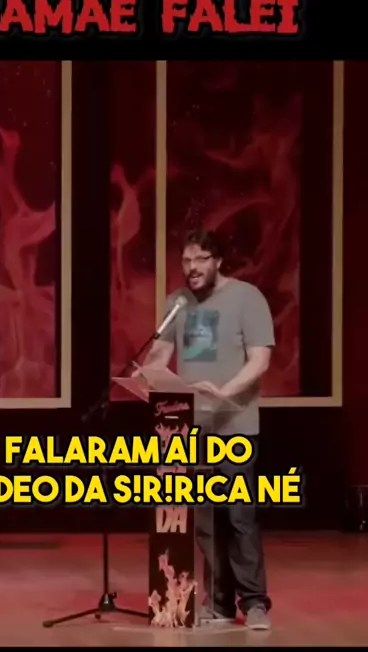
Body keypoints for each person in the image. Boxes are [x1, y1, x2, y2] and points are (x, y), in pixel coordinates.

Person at [141, 227, 274, 630]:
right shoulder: (177, 303)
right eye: (186, 260)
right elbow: (159, 355)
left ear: (218, 261)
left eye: (200, 259)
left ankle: (254, 603)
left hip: (234, 427)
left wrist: (224, 392)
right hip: (190, 430)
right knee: (204, 520)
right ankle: (218, 603)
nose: (192, 268)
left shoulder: (247, 298)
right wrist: (150, 374)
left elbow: (260, 359)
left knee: (238, 516)